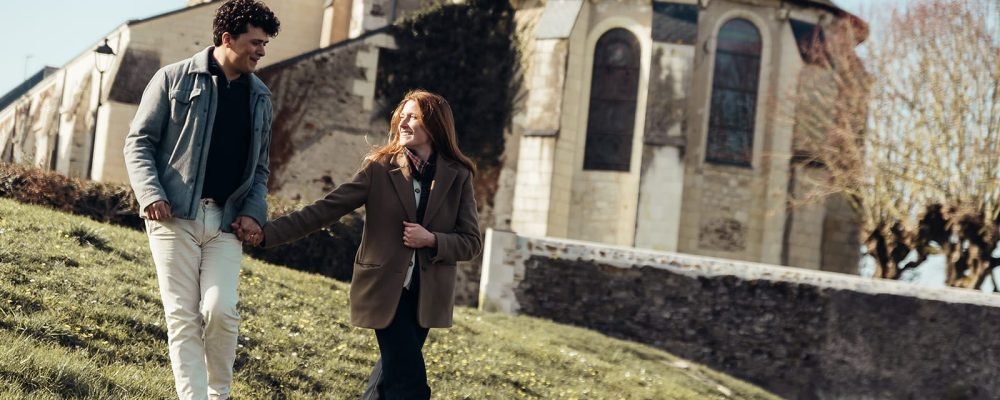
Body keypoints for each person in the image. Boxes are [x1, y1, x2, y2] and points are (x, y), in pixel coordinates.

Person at [252, 89, 482, 399]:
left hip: (427, 297)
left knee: (385, 384)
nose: (403, 122)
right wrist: (267, 234)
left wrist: (431, 240)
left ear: (435, 126)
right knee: (410, 386)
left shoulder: (459, 176)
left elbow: (471, 242)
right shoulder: (379, 168)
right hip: (384, 290)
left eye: (413, 117)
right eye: (402, 116)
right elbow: (325, 210)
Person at [122, 1, 279, 398]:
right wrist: (151, 194)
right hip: (173, 219)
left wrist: (253, 214)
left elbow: (260, 169)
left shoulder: (260, 97)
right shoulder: (172, 79)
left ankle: (219, 393)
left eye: (264, 44)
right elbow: (138, 143)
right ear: (227, 39)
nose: (261, 51)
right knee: (182, 317)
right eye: (254, 43)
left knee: (220, 310)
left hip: (226, 223)